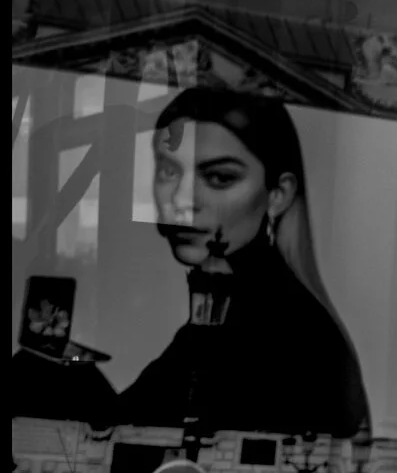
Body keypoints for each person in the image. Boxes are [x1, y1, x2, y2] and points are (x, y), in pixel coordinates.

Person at [115, 88, 371, 438]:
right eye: (169, 171)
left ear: (278, 194)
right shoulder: (240, 303)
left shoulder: (286, 330)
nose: (182, 201)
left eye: (220, 177)